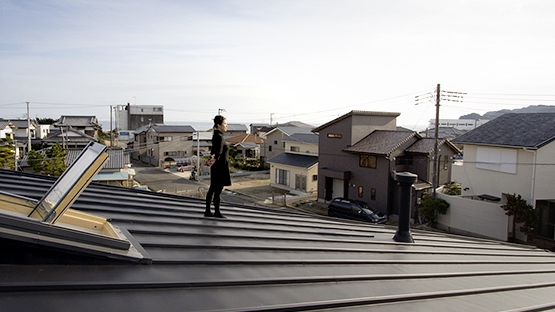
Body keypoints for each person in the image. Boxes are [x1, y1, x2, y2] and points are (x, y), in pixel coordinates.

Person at [204, 115, 231, 218]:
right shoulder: (219, 137)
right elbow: (218, 153)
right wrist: (213, 160)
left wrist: (212, 160)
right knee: (217, 190)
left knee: (213, 189)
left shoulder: (216, 135)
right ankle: (216, 212)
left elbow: (215, 152)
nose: (226, 126)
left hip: (217, 166)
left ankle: (208, 211)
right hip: (220, 167)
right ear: (219, 125)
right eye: (225, 124)